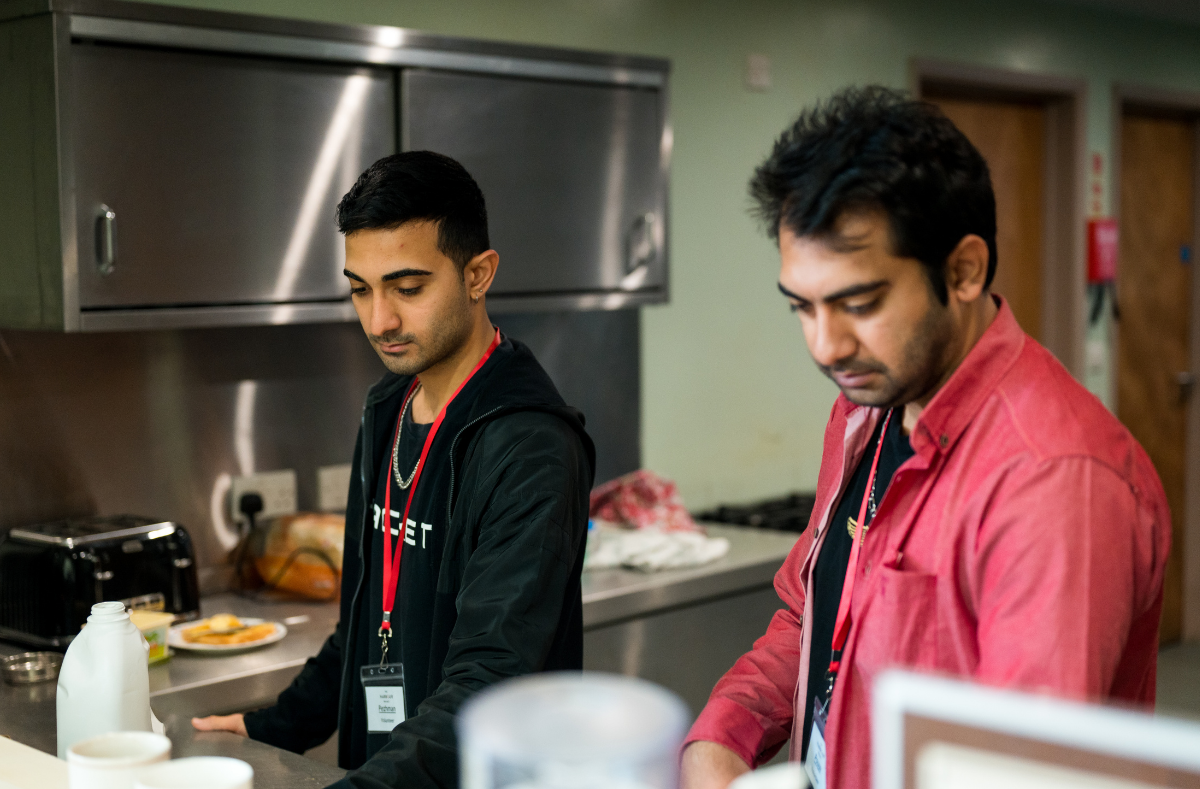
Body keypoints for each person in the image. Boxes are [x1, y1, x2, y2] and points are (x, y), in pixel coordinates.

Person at [679, 87, 1171, 789]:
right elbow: (812, 616)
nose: (826, 345)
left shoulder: (1055, 479)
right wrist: (725, 733)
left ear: (964, 270)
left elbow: (1021, 774)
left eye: (859, 304)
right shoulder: (865, 412)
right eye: (802, 308)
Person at [192, 151, 595, 788]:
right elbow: (362, 614)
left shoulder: (530, 446)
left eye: (407, 289)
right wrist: (277, 724)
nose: (380, 320)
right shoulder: (389, 403)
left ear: (477, 275)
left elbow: (488, 682)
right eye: (360, 289)